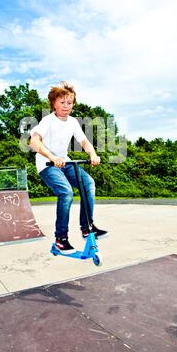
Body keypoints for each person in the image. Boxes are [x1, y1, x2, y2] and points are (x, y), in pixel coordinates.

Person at [29, 81, 108, 254]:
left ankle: (87, 228)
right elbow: (34, 141)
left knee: (88, 184)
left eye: (69, 103)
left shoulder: (72, 122)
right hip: (47, 165)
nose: (66, 106)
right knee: (66, 192)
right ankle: (61, 239)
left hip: (65, 163)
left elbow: (84, 141)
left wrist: (92, 154)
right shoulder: (47, 121)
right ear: (54, 104)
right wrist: (51, 157)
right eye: (62, 102)